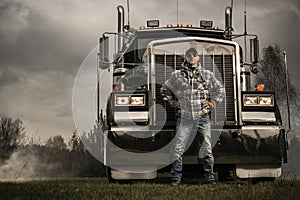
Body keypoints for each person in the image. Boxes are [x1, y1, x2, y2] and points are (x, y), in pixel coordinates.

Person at [160, 47, 225, 185]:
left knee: (206, 148)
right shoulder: (176, 75)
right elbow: (164, 89)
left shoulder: (207, 74)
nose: (191, 56)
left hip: (203, 116)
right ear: (185, 57)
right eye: (189, 54)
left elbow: (220, 89)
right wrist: (172, 102)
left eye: (194, 54)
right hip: (184, 117)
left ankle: (210, 177)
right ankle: (176, 177)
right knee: (178, 147)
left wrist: (213, 102)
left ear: (198, 57)